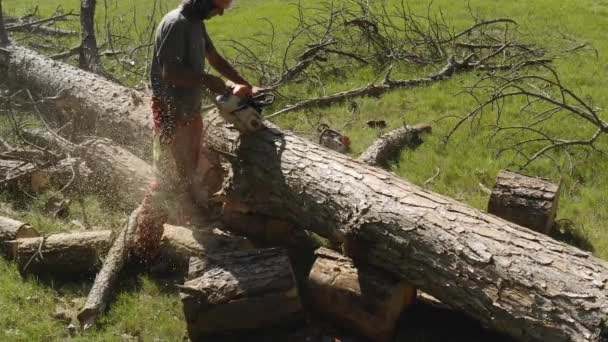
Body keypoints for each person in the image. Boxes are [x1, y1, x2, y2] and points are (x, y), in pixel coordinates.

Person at [132, 0, 260, 260]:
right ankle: (143, 246)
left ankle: (184, 225)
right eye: (218, 6)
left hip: (190, 109)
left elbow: (213, 58)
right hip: (170, 111)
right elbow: (170, 73)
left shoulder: (196, 23)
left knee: (189, 170)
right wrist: (208, 80)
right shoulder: (175, 23)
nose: (220, 12)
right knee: (168, 177)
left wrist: (243, 84)